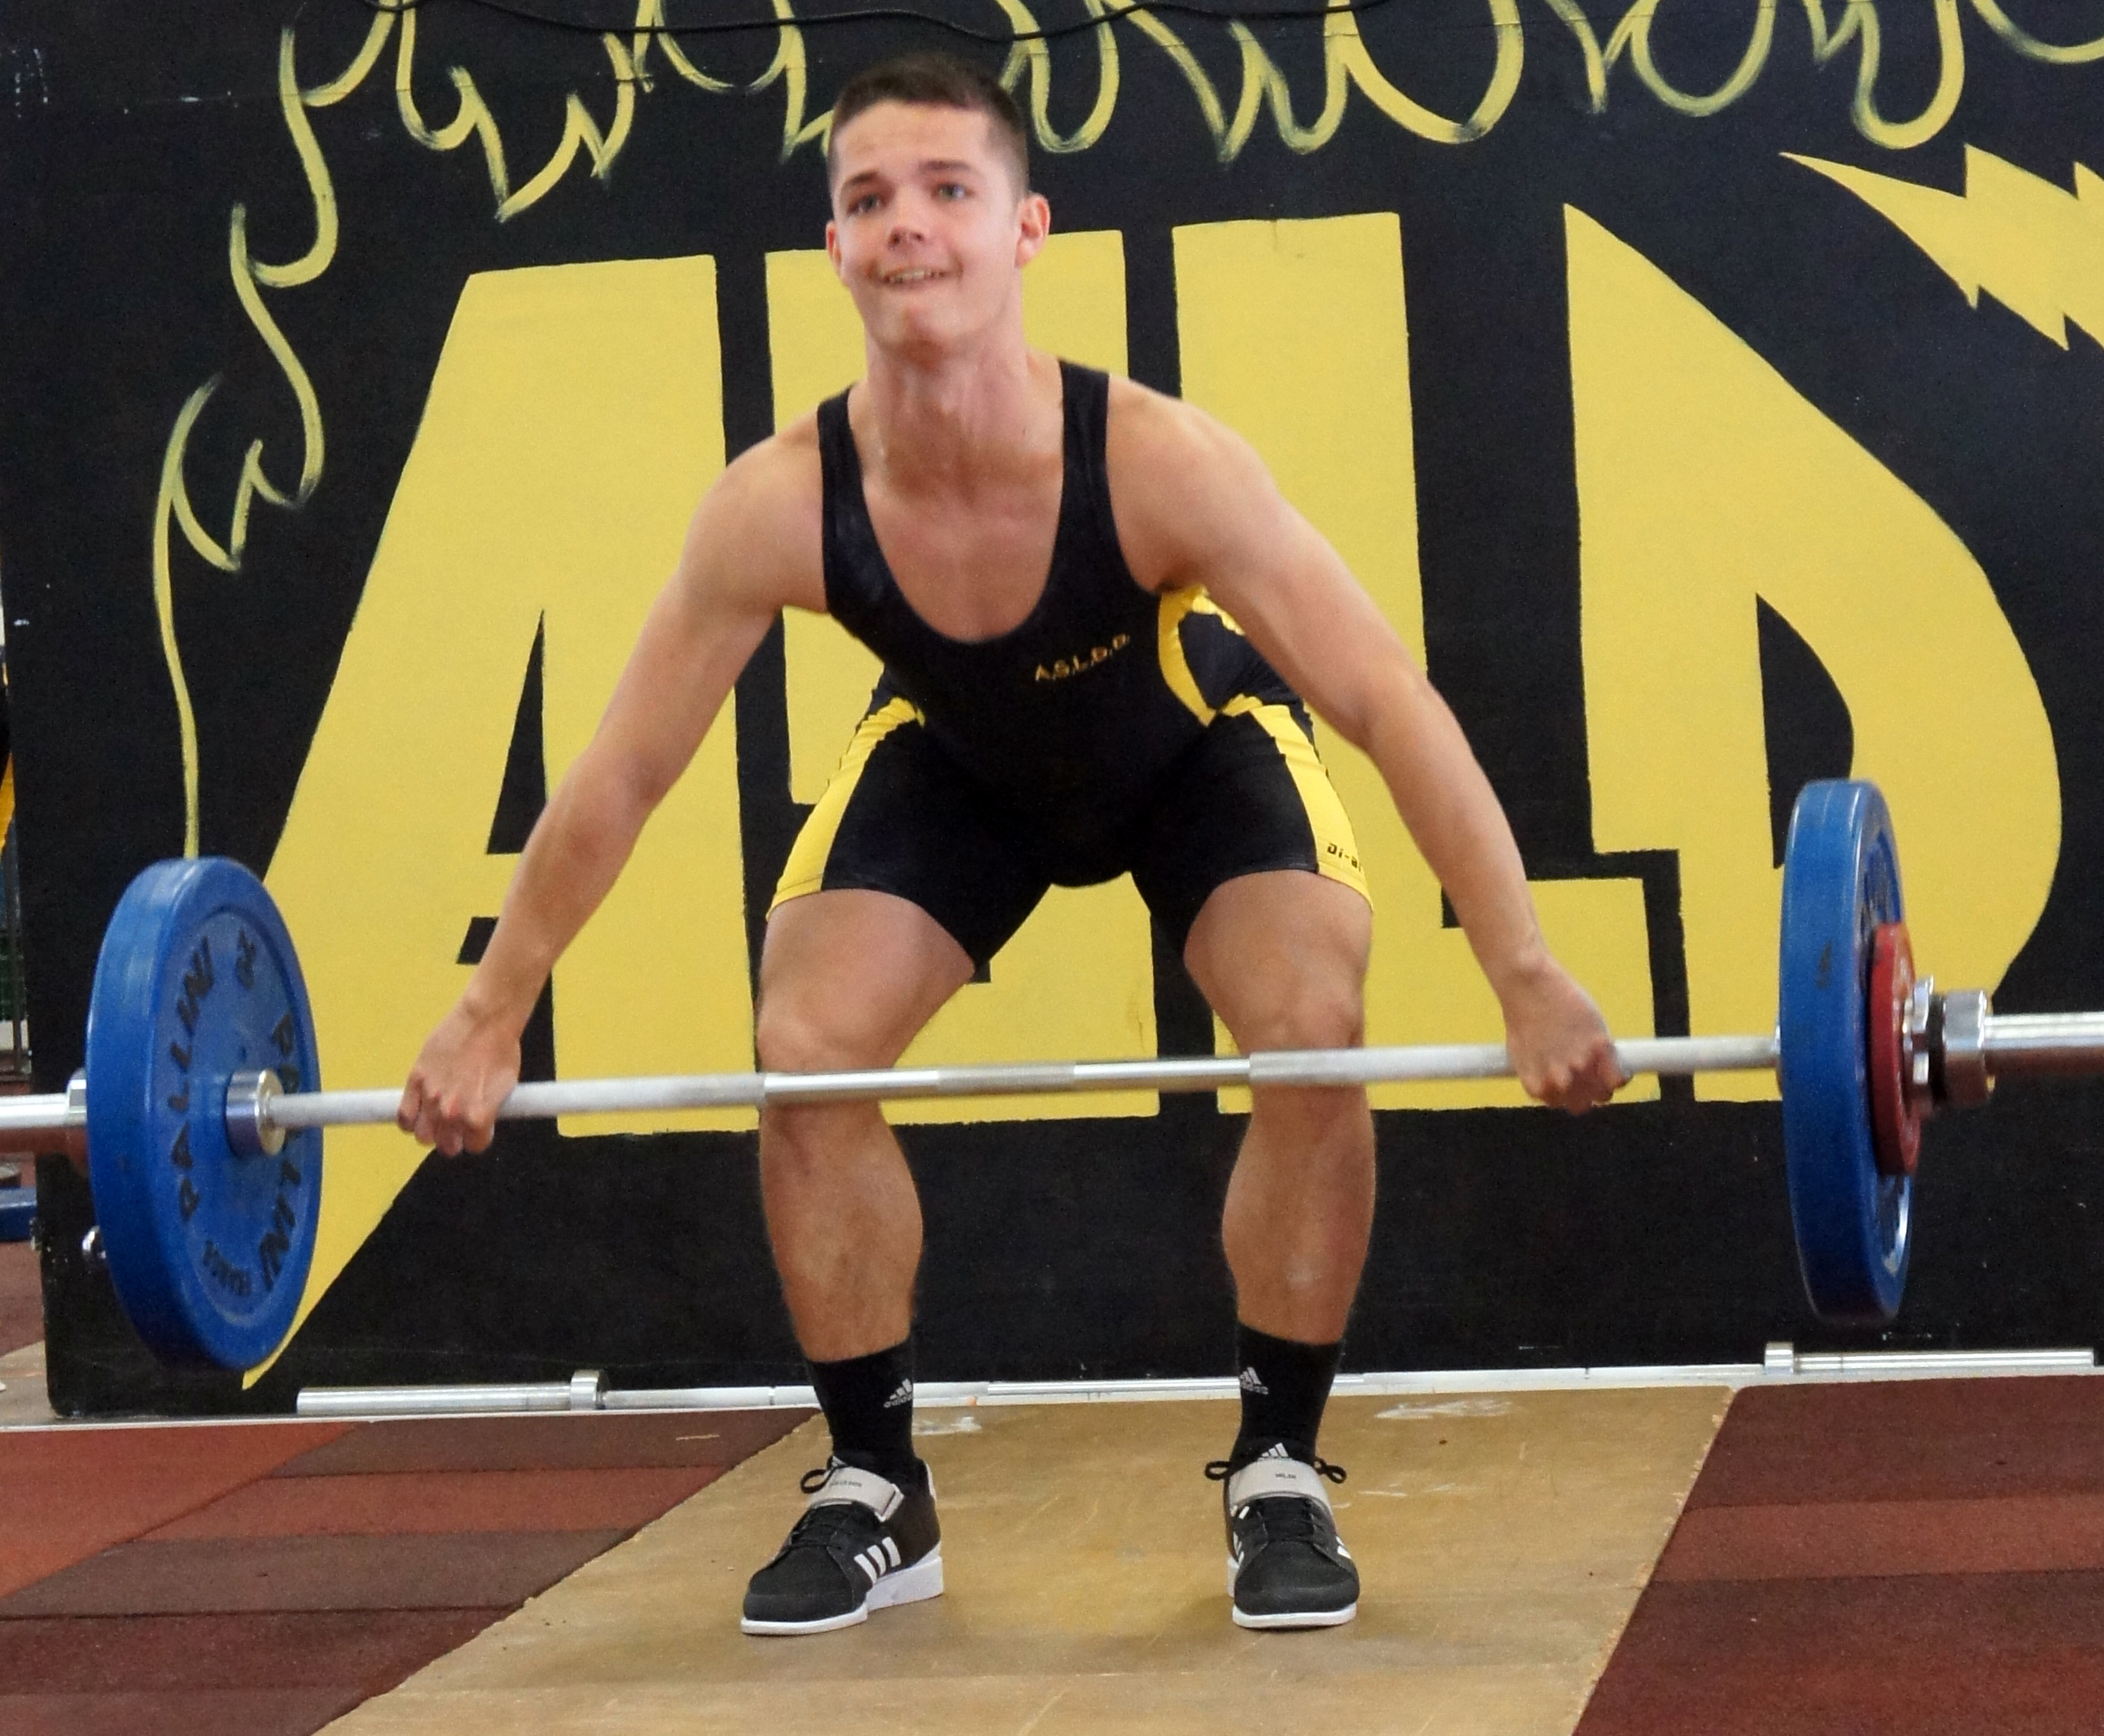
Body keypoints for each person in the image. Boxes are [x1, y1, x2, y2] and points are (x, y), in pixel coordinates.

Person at [398, 51, 1625, 1636]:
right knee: (804, 1048)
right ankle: (874, 1485)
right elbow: (622, 774)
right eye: (868, 200)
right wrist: (490, 1010)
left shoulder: (1158, 460)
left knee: (1311, 1027)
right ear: (834, 249)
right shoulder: (777, 503)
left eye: (946, 190)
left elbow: (1387, 702)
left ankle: (1277, 1465)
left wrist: (1522, 968)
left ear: (1025, 229)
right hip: (960, 764)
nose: (906, 224)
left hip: (1192, 749)